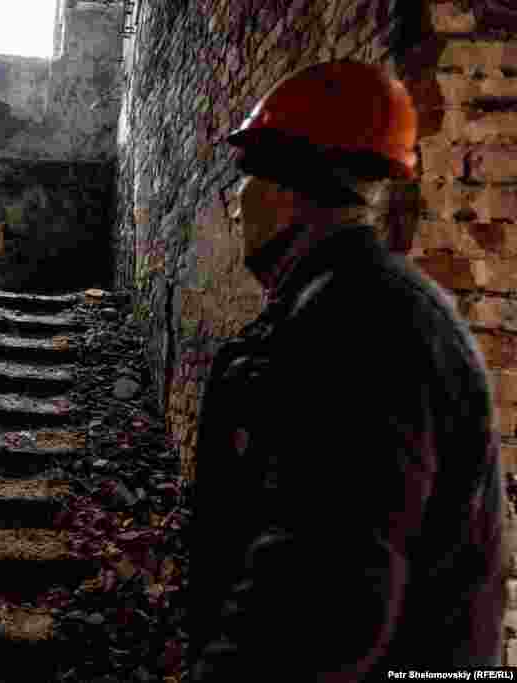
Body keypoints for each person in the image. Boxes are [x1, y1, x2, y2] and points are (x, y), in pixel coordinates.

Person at [186, 60, 507, 680]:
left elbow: (323, 600)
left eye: (244, 181)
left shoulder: (360, 323)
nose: (235, 208)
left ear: (286, 191)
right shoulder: (362, 305)